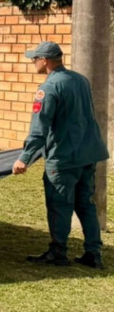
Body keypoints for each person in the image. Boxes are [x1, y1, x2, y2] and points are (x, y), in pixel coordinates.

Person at [12, 41, 107, 269]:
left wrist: (24, 158)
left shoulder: (49, 88)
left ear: (45, 60)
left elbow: (40, 126)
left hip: (64, 157)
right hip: (88, 153)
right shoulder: (80, 80)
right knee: (86, 204)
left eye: (35, 59)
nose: (33, 62)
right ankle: (93, 253)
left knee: (59, 204)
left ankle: (58, 252)